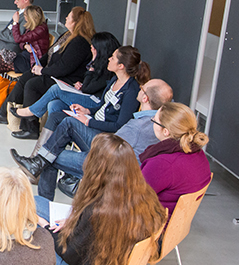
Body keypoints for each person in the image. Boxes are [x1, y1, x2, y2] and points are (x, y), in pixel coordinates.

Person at [34, 134, 167, 265]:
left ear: (97, 167)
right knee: (36, 203)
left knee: (32, 236)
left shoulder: (98, 211)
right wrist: (74, 222)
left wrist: (44, 227)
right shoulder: (144, 195)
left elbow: (71, 255)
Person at [12, 46, 151, 199]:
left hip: (105, 136)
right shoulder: (114, 81)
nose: (109, 59)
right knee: (57, 116)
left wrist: (88, 122)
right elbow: (103, 106)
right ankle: (38, 162)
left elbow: (119, 126)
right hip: (94, 122)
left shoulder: (131, 91)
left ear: (121, 66)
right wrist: (87, 111)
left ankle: (38, 162)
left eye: (113, 57)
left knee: (67, 126)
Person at [33, 79, 174, 199]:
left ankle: (44, 206)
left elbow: (109, 149)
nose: (139, 88)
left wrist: (92, 132)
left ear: (145, 98)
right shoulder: (162, 124)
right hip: (119, 158)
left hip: (110, 165)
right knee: (69, 124)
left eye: (142, 88)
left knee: (50, 156)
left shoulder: (137, 127)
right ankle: (37, 162)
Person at [0, 7, 94, 125]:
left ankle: (30, 126)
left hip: (64, 79)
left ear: (76, 23)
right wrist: (38, 64)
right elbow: (51, 52)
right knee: (26, 76)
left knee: (32, 84)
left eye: (69, 17)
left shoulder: (79, 43)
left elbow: (63, 67)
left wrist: (43, 71)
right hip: (53, 72)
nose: (65, 18)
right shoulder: (67, 35)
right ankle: (4, 113)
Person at [8, 31, 121, 140]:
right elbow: (88, 86)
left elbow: (88, 88)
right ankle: (51, 138)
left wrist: (92, 64)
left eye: (94, 47)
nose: (91, 48)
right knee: (54, 103)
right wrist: (82, 84)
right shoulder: (101, 65)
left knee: (55, 89)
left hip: (96, 103)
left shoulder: (108, 70)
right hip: (88, 96)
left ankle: (31, 112)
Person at [0, 5, 49, 111]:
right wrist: (25, 45)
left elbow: (17, 39)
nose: (24, 18)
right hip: (23, 57)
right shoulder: (33, 27)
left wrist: (15, 23)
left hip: (29, 63)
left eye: (25, 15)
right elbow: (21, 43)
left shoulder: (40, 29)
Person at [141, 102, 212, 217]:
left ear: (165, 131)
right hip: (173, 224)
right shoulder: (198, 154)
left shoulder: (163, 163)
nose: (152, 122)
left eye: (154, 120)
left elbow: (133, 197)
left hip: (150, 225)